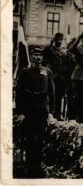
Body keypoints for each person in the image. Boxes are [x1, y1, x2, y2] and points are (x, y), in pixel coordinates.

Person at [15, 47, 55, 178]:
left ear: (42, 58)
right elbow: (19, 93)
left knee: (41, 139)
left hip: (42, 109)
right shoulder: (25, 72)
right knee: (29, 138)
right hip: (29, 109)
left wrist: (51, 112)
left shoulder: (47, 72)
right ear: (31, 56)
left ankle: (38, 167)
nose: (38, 57)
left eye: (40, 55)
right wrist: (20, 112)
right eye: (35, 55)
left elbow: (52, 93)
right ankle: (29, 167)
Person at [43, 33, 70, 120]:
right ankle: (50, 113)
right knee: (51, 96)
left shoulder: (63, 52)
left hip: (61, 78)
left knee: (59, 97)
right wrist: (51, 42)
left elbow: (66, 65)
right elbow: (46, 49)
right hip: (53, 77)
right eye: (58, 40)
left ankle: (57, 114)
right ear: (55, 40)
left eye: (61, 40)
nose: (59, 41)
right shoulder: (50, 49)